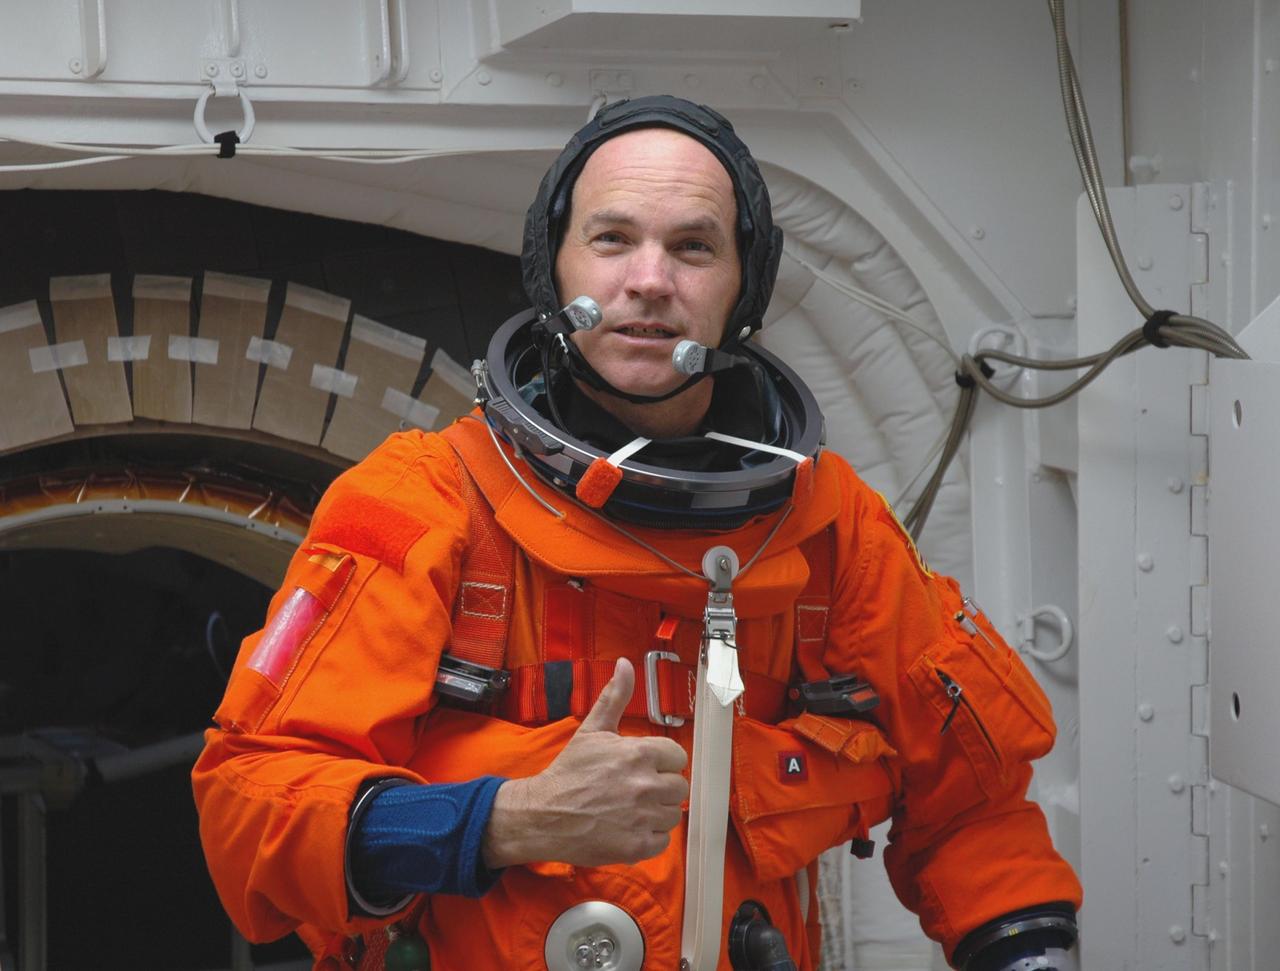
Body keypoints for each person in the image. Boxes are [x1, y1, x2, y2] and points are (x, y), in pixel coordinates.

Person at [193, 96, 1082, 971]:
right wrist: (502, 820)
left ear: (744, 287)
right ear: (555, 269)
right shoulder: (425, 502)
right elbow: (248, 800)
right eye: (612, 238)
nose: (650, 279)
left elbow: (976, 808)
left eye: (693, 247)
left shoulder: (828, 530)